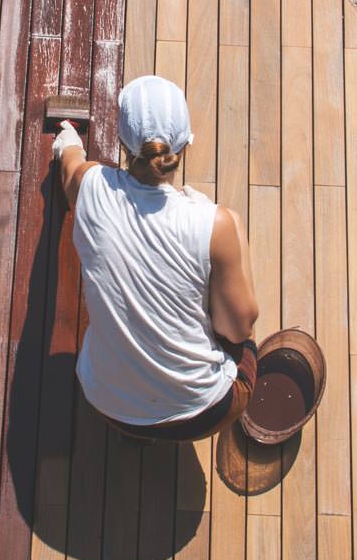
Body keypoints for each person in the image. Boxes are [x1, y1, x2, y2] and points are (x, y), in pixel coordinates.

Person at [51, 75, 261, 442]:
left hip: (108, 404)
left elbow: (70, 163)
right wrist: (233, 231)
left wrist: (67, 138)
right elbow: (238, 329)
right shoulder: (214, 223)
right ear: (185, 145)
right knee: (242, 317)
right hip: (204, 411)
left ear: (122, 143)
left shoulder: (90, 188)